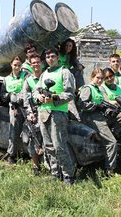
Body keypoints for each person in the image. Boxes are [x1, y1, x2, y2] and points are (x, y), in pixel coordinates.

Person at [33, 47, 76, 184]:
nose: (50, 59)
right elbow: (35, 91)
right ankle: (55, 172)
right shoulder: (44, 73)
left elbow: (70, 94)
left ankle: (68, 174)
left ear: (57, 57)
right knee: (48, 145)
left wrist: (54, 98)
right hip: (43, 112)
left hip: (58, 113)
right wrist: (38, 96)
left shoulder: (64, 72)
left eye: (53, 56)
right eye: (48, 57)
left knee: (59, 145)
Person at [0, 56, 28, 164]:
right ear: (11, 65)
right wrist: (10, 95)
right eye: (15, 65)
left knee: (29, 130)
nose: (17, 67)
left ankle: (29, 154)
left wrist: (19, 97)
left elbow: (27, 89)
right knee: (14, 131)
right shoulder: (6, 79)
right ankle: (11, 154)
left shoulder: (25, 76)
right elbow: (2, 95)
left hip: (25, 105)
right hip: (14, 107)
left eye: (19, 65)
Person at [22, 54, 44, 175]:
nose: (36, 64)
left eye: (38, 62)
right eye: (33, 63)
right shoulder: (28, 80)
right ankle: (36, 165)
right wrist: (30, 113)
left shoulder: (46, 76)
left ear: (41, 63)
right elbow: (26, 99)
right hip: (34, 112)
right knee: (33, 138)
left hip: (47, 111)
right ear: (30, 65)